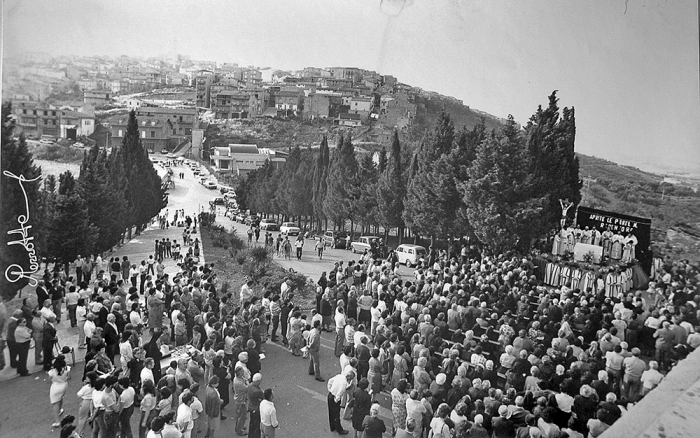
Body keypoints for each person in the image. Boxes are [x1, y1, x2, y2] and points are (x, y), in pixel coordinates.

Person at [328, 370, 355, 435]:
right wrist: (337, 400)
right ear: (349, 377)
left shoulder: (339, 376)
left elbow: (330, 381)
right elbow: (340, 392)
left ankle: (332, 426)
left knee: (331, 412)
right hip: (335, 398)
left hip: (330, 395)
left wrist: (330, 389)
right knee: (336, 414)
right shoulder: (344, 383)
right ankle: (339, 429)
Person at [49, 355, 72, 428]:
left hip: (55, 387)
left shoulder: (52, 371)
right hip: (64, 385)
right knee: (61, 398)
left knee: (55, 403)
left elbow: (49, 380)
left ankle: (57, 421)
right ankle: (60, 409)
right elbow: (69, 378)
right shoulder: (67, 369)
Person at [247, 373, 265, 438]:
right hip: (256, 408)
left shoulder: (249, 386)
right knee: (257, 426)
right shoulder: (257, 391)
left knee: (252, 424)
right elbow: (263, 396)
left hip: (251, 407)